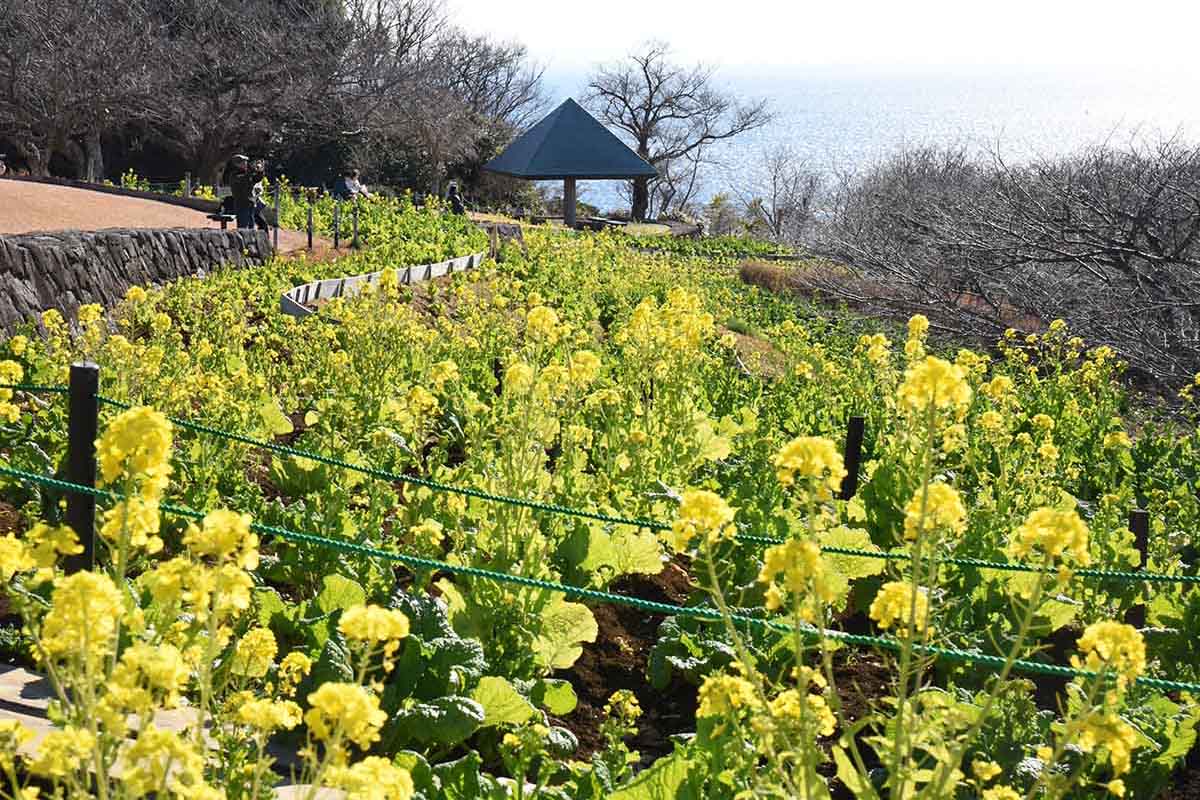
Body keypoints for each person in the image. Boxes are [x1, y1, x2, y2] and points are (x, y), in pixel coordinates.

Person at [227, 155, 256, 229]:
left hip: (250, 203)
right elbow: (243, 179)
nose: (246, 164)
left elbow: (256, 179)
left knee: (251, 227)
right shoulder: (234, 175)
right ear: (237, 164)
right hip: (241, 204)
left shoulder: (246, 174)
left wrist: (260, 171)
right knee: (243, 228)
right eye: (243, 162)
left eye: (246, 162)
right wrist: (251, 171)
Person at [249, 159, 270, 231]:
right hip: (251, 201)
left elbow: (259, 187)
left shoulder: (258, 174)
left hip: (256, 201)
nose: (258, 166)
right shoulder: (250, 174)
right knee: (258, 223)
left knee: (263, 224)